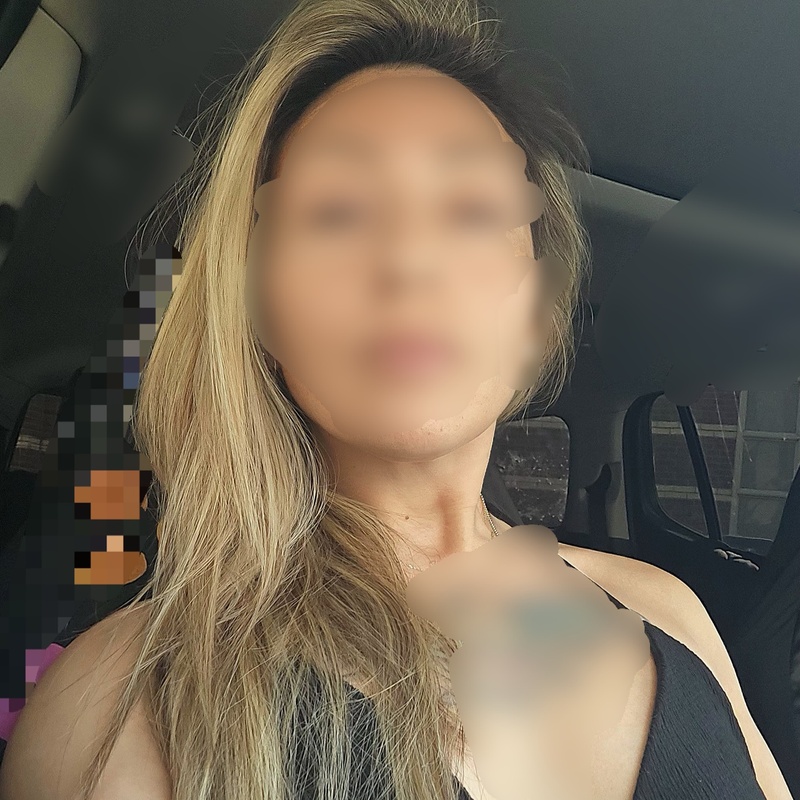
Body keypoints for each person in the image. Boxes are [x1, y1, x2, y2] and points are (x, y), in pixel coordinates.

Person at [0, 0, 792, 799]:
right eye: (337, 213)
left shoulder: (668, 613)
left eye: (473, 211)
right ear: (260, 313)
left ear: (539, 310)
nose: (410, 262)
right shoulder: (121, 710)